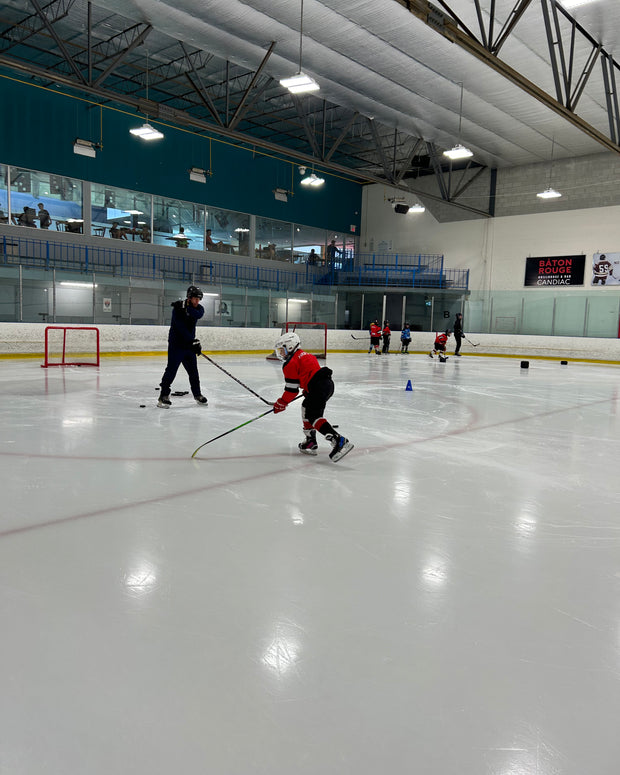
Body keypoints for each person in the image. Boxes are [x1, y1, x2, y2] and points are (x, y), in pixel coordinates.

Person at [272, 331, 353, 462]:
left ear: (290, 346)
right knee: (306, 407)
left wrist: (281, 403)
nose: (281, 353)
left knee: (313, 416)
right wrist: (308, 389)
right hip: (327, 385)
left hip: (318, 388)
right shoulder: (307, 355)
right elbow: (310, 375)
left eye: (282, 350)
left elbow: (291, 390)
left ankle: (339, 440)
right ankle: (310, 441)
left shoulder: (290, 363)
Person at [158, 285, 208, 408]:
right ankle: (163, 395)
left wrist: (194, 343)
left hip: (189, 345)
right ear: (189, 297)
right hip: (177, 345)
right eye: (195, 298)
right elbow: (180, 327)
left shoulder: (195, 308)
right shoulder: (178, 309)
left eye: (199, 299)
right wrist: (192, 341)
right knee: (171, 370)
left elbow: (199, 313)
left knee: (193, 372)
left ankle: (197, 394)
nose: (197, 301)